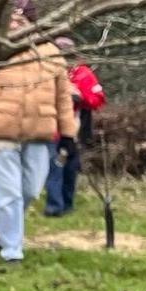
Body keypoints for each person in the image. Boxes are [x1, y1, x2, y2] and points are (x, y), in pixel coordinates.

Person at [0, 0, 75, 262]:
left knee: (31, 190)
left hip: (39, 134)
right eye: (10, 19)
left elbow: (63, 98)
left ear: (33, 22)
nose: (14, 25)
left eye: (20, 20)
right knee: (8, 193)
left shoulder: (50, 53)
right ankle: (12, 251)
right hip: (1, 133)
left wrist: (68, 134)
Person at [44, 37, 104, 217]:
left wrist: (79, 96)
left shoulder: (83, 73)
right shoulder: (46, 71)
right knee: (54, 166)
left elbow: (98, 98)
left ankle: (67, 204)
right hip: (51, 127)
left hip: (75, 128)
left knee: (70, 168)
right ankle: (54, 206)